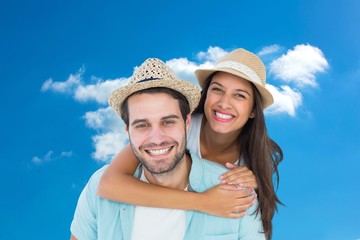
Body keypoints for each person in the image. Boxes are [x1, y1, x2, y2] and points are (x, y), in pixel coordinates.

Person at [98, 49, 283, 239]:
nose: (224, 103)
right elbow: (109, 184)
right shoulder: (175, 127)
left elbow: (253, 225)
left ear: (254, 110)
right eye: (217, 89)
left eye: (240, 95)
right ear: (206, 94)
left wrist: (254, 186)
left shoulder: (254, 158)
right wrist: (204, 202)